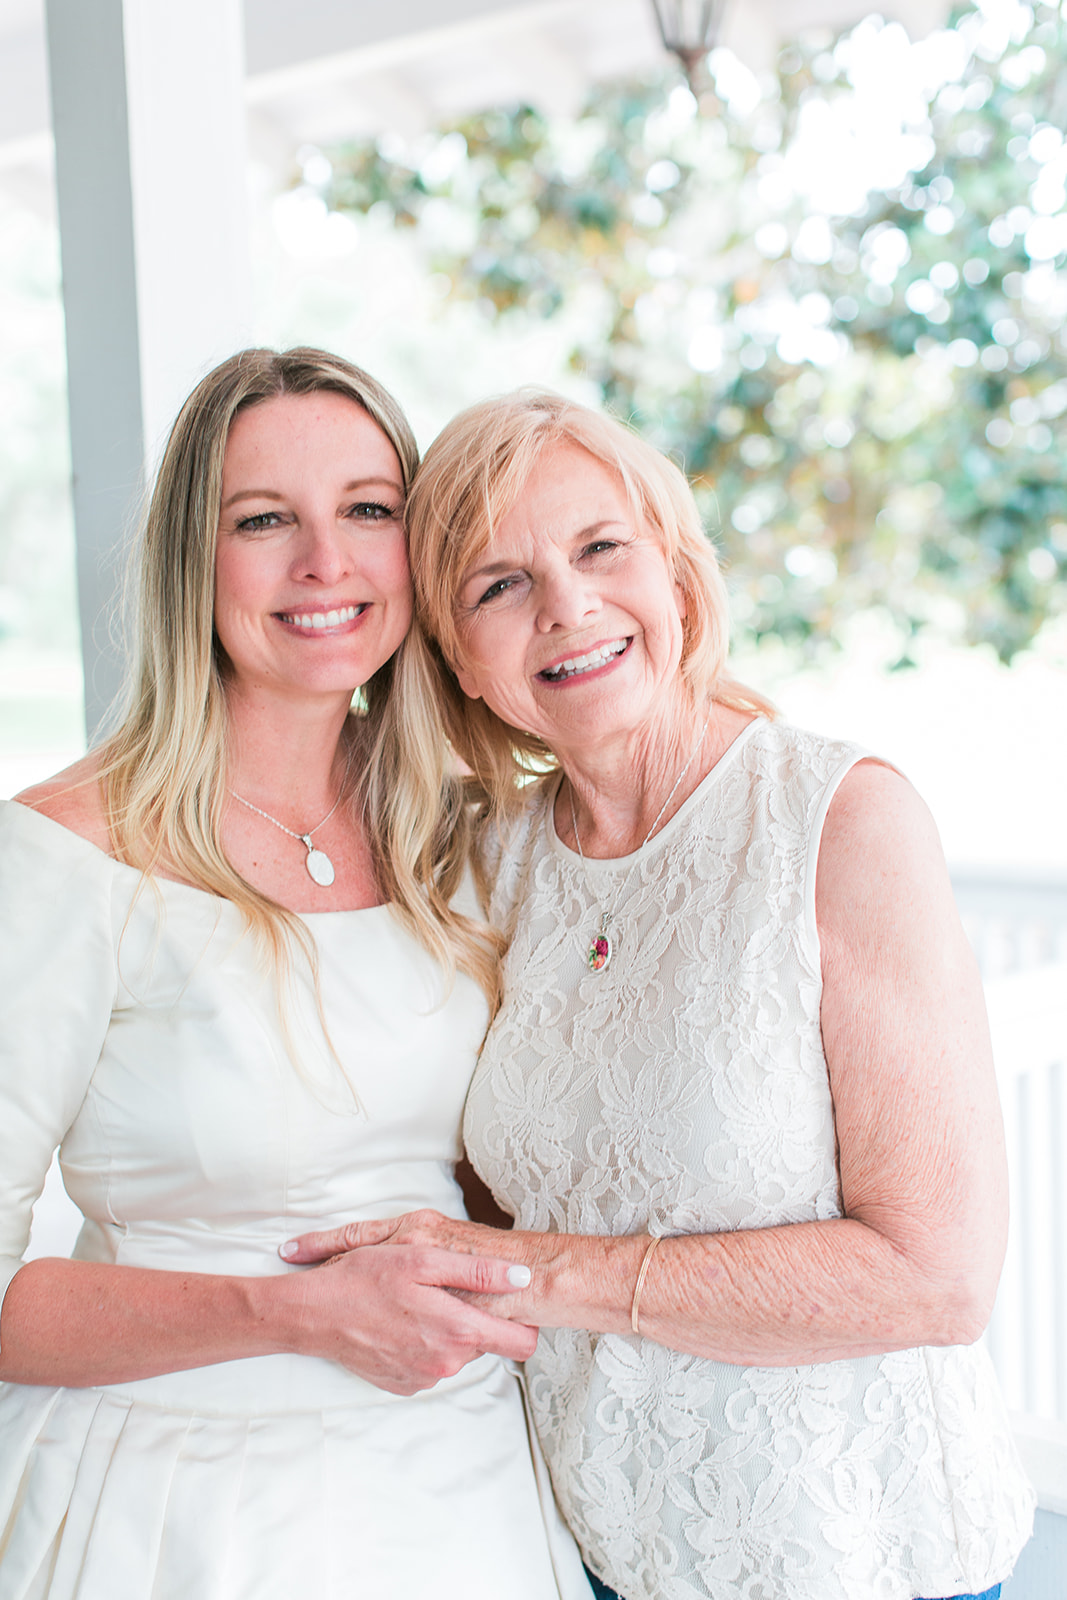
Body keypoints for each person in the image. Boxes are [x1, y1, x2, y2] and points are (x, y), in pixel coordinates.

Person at [287, 388, 1036, 1600]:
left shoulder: (838, 820)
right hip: (587, 1550)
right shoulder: (493, 864)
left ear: (676, 577)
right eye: (497, 585)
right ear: (461, 666)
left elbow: (934, 1278)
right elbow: (494, 1174)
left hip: (849, 1559)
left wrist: (520, 1270)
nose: (565, 607)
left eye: (599, 548)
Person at [0, 351, 590, 1600]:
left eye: (367, 509)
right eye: (264, 520)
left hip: (465, 1487)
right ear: (189, 561)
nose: (324, 562)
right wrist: (298, 1314)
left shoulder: (466, 830)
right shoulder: (65, 855)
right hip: (176, 1506)